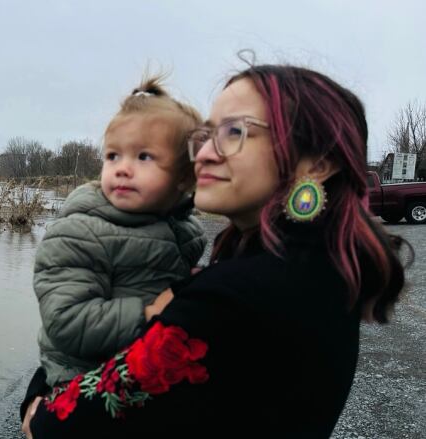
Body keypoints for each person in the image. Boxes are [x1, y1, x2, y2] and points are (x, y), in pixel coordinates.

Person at [21, 64, 410, 438]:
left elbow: (61, 424)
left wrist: (38, 402)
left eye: (234, 131)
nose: (204, 153)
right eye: (205, 136)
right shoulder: (323, 267)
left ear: (318, 163)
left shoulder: (241, 296)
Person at [33, 76, 207, 388]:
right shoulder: (81, 230)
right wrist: (148, 312)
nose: (122, 168)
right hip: (80, 378)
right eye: (113, 155)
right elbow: (65, 321)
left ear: (184, 177)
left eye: (144, 157)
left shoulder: (187, 230)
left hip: (140, 368)